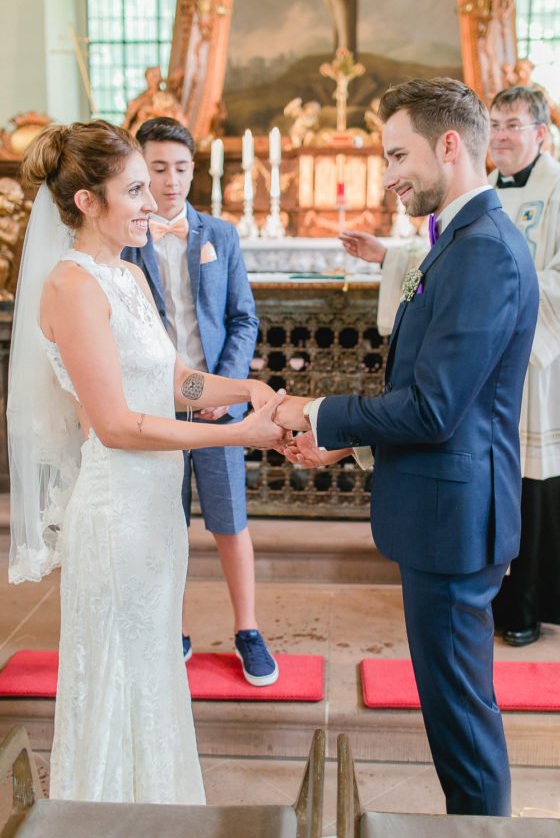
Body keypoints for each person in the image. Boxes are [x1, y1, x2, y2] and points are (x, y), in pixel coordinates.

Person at [274, 78, 539, 816]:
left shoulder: (482, 248)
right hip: (444, 508)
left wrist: (319, 411)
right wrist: (348, 450)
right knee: (454, 712)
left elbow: (433, 408)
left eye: (397, 155)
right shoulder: (455, 238)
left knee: (462, 722)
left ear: (449, 145)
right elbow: (440, 400)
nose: (387, 174)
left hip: (456, 524)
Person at [7, 120, 286, 803]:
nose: (151, 202)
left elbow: (171, 381)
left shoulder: (126, 275)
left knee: (154, 673)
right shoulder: (72, 288)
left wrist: (243, 388)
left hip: (155, 516)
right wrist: (236, 434)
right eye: (134, 189)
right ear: (87, 203)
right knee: (118, 677)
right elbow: (118, 425)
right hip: (117, 518)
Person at [122, 116, 278, 686]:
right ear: (139, 170)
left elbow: (243, 318)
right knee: (165, 523)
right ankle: (175, 629)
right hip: (153, 406)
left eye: (181, 168)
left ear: (195, 170)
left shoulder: (221, 235)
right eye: (158, 168)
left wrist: (227, 388)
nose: (171, 181)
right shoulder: (126, 237)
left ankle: (248, 630)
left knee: (230, 522)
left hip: (217, 406)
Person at [488, 86, 560, 647]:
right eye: (492, 125)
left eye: (512, 124)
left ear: (541, 132)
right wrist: (390, 258)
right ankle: (489, 594)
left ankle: (526, 603)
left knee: (532, 483)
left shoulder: (557, 188)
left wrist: (507, 296)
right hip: (487, 363)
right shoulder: (481, 192)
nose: (501, 136)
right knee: (494, 479)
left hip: (537, 365)